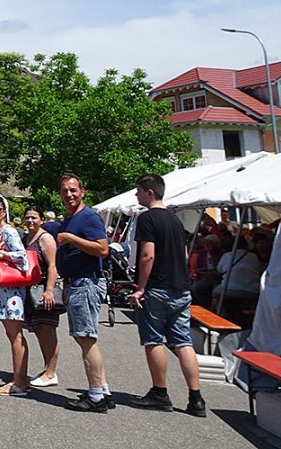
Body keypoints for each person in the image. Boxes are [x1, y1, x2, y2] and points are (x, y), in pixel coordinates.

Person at [130, 173, 207, 417]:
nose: (136, 195)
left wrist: (141, 287)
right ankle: (196, 397)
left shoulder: (147, 219)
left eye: (138, 191)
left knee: (153, 339)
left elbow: (147, 255)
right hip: (180, 287)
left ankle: (160, 392)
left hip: (158, 287)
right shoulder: (175, 219)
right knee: (182, 341)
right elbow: (184, 254)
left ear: (149, 193)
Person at [54, 174, 112, 412]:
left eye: (73, 190)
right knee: (85, 337)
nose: (69, 194)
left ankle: (96, 395)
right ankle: (103, 390)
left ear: (83, 192)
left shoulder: (88, 217)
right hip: (75, 282)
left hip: (84, 283)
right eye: (65, 191)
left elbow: (102, 249)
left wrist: (72, 239)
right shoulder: (70, 218)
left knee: (86, 338)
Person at [0, 197, 31, 396]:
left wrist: (2, 254)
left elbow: (22, 256)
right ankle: (20, 378)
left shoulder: (8, 231)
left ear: (4, 211)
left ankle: (18, 382)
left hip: (12, 290)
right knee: (12, 334)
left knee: (15, 335)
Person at [22, 207, 61, 388]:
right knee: (39, 330)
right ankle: (47, 368)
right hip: (30, 291)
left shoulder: (45, 238)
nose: (30, 221)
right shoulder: (25, 238)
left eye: (34, 218)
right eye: (28, 217)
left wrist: (49, 290)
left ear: (41, 220)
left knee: (47, 330)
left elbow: (53, 266)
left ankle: (51, 372)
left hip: (43, 289)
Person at [211, 235, 261, 315]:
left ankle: (222, 316)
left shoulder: (227, 255)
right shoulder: (253, 256)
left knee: (215, 293)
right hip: (252, 289)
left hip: (230, 289)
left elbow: (219, 270)